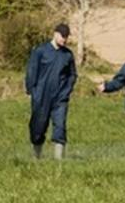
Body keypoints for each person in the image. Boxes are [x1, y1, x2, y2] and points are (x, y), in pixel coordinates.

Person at [25, 23, 77, 160]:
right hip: (41, 96)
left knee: (60, 126)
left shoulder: (68, 55)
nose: (64, 40)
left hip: (60, 98)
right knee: (38, 127)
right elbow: (32, 71)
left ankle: (58, 160)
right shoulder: (40, 51)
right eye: (62, 36)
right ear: (55, 34)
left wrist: (67, 90)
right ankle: (37, 157)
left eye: (66, 37)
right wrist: (31, 91)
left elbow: (72, 75)